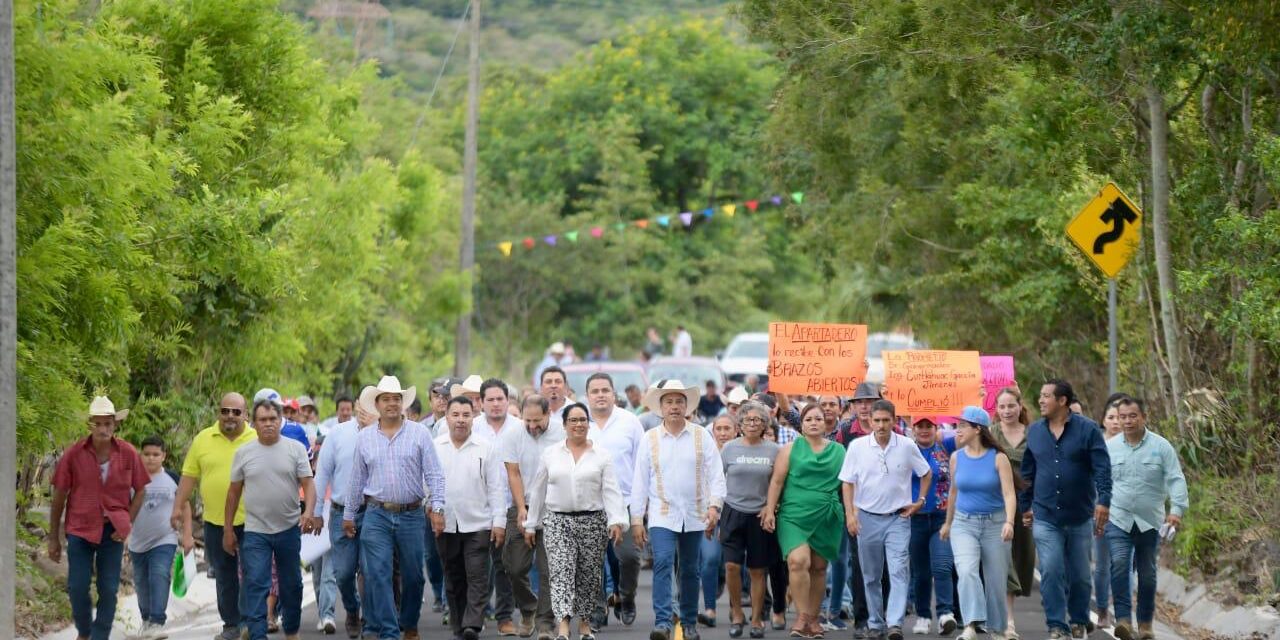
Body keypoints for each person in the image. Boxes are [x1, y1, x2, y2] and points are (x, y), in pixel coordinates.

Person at [344, 375, 447, 640]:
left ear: (403, 403)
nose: (392, 404)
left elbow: (435, 474)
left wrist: (437, 508)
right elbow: (356, 479)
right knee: (377, 575)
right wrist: (348, 515)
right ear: (377, 404)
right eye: (386, 399)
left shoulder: (420, 433)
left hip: (412, 514)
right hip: (376, 514)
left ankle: (409, 624)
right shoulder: (365, 437)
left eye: (396, 399)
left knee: (414, 577)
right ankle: (389, 632)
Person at [630, 380, 727, 640]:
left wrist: (715, 506)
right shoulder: (649, 439)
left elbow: (716, 474)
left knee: (689, 568)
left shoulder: (701, 435)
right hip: (662, 513)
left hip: (695, 514)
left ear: (687, 406)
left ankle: (688, 622)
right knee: (662, 562)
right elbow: (639, 480)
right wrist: (636, 519)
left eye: (679, 402)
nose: (674, 407)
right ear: (660, 407)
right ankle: (662, 622)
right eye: (669, 402)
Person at [48, 396, 149, 640]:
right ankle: (84, 632)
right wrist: (53, 538)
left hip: (112, 530)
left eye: (108, 424)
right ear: (90, 425)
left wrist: (128, 522)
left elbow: (142, 489)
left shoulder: (127, 453)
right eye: (98, 424)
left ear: (115, 425)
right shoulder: (74, 454)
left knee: (108, 588)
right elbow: (59, 495)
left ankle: (100, 636)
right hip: (80, 528)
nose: (103, 429)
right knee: (77, 586)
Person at [525, 402, 628, 640]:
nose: (578, 424)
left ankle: (584, 624)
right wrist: (531, 524)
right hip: (557, 522)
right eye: (573, 420)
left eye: (583, 420)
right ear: (564, 425)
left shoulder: (601, 455)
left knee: (589, 575)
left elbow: (611, 490)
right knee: (561, 572)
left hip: (592, 522)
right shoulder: (551, 454)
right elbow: (538, 491)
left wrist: (617, 521)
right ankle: (562, 626)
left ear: (588, 425)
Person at [1019, 380, 1112, 640]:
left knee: (1081, 576)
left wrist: (1104, 501)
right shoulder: (1035, 431)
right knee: (1050, 569)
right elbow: (1028, 471)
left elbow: (1102, 468)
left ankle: (1079, 620)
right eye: (1040, 395)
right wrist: (1026, 505)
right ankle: (1057, 625)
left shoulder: (1088, 430)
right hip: (1046, 515)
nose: (1040, 401)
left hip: (1080, 516)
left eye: (1046, 396)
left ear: (1062, 401)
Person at [223, 399, 321, 640]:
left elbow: (309, 485)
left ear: (280, 421)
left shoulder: (295, 448)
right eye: (262, 420)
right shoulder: (243, 453)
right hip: (256, 532)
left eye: (272, 419)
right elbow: (233, 493)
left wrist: (308, 512)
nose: (268, 424)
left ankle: (291, 631)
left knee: (292, 585)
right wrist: (228, 530)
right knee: (256, 584)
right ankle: (258, 635)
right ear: (254, 423)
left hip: (289, 529)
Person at [839, 400, 932, 640]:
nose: (880, 425)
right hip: (866, 518)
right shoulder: (858, 447)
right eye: (876, 420)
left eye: (885, 420)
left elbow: (926, 472)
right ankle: (875, 623)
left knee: (899, 571)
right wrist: (850, 514)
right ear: (870, 420)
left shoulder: (907, 445)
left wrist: (919, 501)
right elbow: (847, 482)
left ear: (893, 420)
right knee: (870, 576)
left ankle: (894, 624)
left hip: (898, 519)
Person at [173, 392, 257, 640]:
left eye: (236, 411)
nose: (230, 416)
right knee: (224, 574)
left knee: (252, 571)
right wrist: (178, 506)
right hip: (215, 521)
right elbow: (189, 477)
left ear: (246, 415)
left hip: (252, 520)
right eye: (225, 411)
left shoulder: (256, 439)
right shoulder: (203, 439)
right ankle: (231, 624)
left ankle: (247, 622)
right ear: (218, 413)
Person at [1106, 398, 1188, 640]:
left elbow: (1176, 478)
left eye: (1133, 416)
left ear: (1143, 417)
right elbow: (1098, 479)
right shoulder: (1110, 448)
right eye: (1123, 417)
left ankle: (1145, 624)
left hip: (1150, 521)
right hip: (1118, 518)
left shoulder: (1161, 447)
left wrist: (1177, 510)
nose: (1127, 421)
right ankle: (1122, 619)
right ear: (1117, 419)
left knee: (1148, 572)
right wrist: (1098, 505)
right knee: (1120, 563)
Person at [762, 403, 843, 639]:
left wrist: (851, 512)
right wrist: (769, 510)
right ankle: (801, 616)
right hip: (793, 514)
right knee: (798, 561)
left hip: (826, 515)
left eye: (818, 419)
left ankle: (814, 618)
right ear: (802, 424)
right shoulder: (789, 449)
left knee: (819, 568)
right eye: (808, 419)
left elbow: (849, 484)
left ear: (825, 422)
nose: (814, 423)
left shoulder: (839, 451)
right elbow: (776, 482)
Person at [940, 407, 1019, 640]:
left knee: (995, 579)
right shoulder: (956, 457)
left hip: (995, 524)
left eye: (963, 425)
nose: (958, 430)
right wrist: (948, 523)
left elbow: (1009, 494)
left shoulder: (998, 458)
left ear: (977, 429)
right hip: (964, 524)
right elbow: (953, 493)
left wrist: (1010, 522)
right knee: (966, 572)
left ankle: (997, 629)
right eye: (957, 425)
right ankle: (971, 626)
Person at [435, 395, 509, 640]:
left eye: (466, 415)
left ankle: (472, 625)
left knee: (477, 575)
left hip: (478, 523)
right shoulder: (436, 447)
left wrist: (499, 523)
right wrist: (431, 509)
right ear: (446, 418)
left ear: (473, 418)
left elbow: (496, 488)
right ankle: (459, 624)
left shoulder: (485, 447)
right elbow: (428, 484)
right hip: (446, 524)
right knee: (454, 577)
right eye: (455, 415)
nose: (460, 420)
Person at [584, 373, 648, 628]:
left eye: (605, 390)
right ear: (587, 396)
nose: (600, 395)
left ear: (613, 394)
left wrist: (642, 507)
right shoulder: (579, 422)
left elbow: (642, 467)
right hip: (589, 502)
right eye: (595, 391)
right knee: (591, 559)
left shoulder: (630, 422)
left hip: (625, 501)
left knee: (629, 556)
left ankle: (626, 595)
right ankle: (598, 608)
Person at [502, 394, 567, 640]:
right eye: (527, 421)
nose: (532, 426)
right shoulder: (513, 434)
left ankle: (545, 623)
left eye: (537, 421)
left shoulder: (562, 434)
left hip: (553, 509)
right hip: (522, 505)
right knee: (514, 566)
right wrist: (521, 509)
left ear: (548, 413)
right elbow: (513, 473)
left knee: (549, 568)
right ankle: (528, 609)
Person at [719, 403, 781, 639]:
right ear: (740, 425)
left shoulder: (775, 450)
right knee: (732, 566)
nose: (753, 423)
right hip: (732, 511)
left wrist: (771, 508)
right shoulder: (729, 449)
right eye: (748, 420)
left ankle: (757, 619)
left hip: (760, 515)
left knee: (757, 570)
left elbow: (779, 483)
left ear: (765, 424)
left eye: (757, 420)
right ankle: (736, 613)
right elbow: (716, 478)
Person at [130, 435, 193, 638]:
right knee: (141, 582)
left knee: (159, 573)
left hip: (164, 538)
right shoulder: (132, 478)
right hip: (137, 541)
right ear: (141, 455)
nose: (151, 458)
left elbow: (185, 507)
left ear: (163, 456)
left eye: (155, 454)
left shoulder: (173, 479)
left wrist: (187, 535)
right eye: (146, 454)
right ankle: (147, 620)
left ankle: (157, 621)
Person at [473, 378, 522, 636]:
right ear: (481, 403)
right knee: (478, 566)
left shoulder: (520, 428)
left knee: (506, 566)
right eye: (490, 400)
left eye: (499, 399)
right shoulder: (472, 428)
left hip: (512, 507)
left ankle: (505, 616)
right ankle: (476, 614)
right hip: (479, 508)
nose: (495, 404)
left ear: (508, 400)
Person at [905, 417, 957, 636]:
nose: (924, 430)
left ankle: (946, 614)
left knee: (943, 566)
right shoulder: (906, 450)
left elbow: (976, 431)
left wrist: (981, 397)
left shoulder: (947, 446)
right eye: (920, 426)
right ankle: (924, 616)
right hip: (914, 519)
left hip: (942, 517)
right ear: (913, 429)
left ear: (937, 429)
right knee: (921, 573)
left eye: (929, 426)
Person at [991, 387, 1034, 638]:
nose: (1007, 411)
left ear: (1020, 406)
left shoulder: (1034, 434)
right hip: (997, 504)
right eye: (1002, 406)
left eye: (1011, 405)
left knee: (1022, 559)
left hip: (1026, 504)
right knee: (1002, 560)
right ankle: (1007, 621)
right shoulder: (990, 434)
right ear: (996, 410)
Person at [698, 414, 740, 628]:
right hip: (711, 513)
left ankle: (736, 608)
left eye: (727, 429)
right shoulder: (706, 453)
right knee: (710, 559)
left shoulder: (742, 451)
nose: (723, 433)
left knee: (735, 564)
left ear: (736, 431)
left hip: (738, 514)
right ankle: (710, 609)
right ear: (713, 431)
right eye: (719, 429)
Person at [1093, 395, 1128, 630]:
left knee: (1125, 563)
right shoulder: (1096, 445)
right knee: (1103, 563)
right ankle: (1103, 608)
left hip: (1127, 511)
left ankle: (1124, 612)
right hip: (1101, 511)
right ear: (1103, 420)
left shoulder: (1134, 444)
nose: (1116, 422)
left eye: (1120, 417)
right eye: (1111, 417)